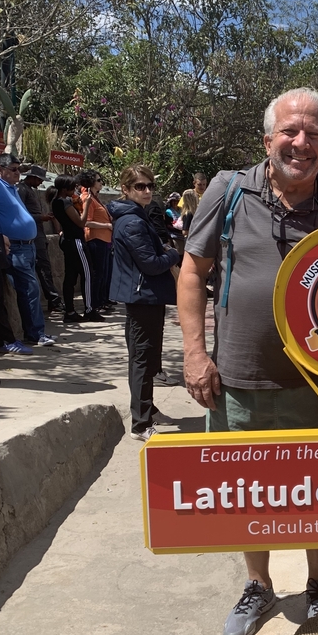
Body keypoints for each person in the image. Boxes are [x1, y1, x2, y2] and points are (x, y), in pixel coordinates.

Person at [178, 87, 318, 635]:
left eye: (313, 135)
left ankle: (317, 584)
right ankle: (258, 585)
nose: (300, 142)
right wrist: (195, 352)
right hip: (237, 379)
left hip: (316, 386)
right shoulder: (229, 190)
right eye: (290, 131)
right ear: (267, 140)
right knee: (245, 494)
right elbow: (192, 272)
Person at [108, 165, 180, 440]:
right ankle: (140, 424)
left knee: (147, 357)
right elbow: (150, 263)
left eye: (150, 185)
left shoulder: (137, 215)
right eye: (140, 186)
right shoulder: (133, 222)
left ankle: (147, 410)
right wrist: (172, 255)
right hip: (142, 297)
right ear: (126, 189)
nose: (147, 191)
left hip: (146, 295)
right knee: (141, 359)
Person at [0, 154, 54, 346]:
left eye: (19, 169)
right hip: (15, 247)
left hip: (28, 245)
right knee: (30, 288)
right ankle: (35, 334)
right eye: (13, 169)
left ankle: (35, 332)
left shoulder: (11, 187)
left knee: (30, 289)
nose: (18, 174)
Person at [51, 174, 103, 325]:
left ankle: (70, 311)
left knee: (70, 276)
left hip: (69, 240)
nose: (74, 190)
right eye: (72, 187)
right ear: (64, 188)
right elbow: (81, 222)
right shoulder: (64, 202)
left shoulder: (57, 201)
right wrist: (86, 205)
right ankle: (89, 309)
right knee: (87, 274)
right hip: (75, 241)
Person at [18, 165, 62, 312]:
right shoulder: (22, 190)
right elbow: (21, 214)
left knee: (45, 268)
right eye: (39, 180)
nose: (41, 183)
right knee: (43, 268)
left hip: (39, 234)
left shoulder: (30, 190)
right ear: (32, 177)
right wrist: (41, 217)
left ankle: (53, 300)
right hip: (32, 235)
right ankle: (53, 300)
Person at [77, 170, 113, 313]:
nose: (101, 182)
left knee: (103, 273)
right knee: (97, 273)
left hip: (104, 240)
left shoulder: (95, 198)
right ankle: (95, 304)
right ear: (91, 182)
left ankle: (101, 301)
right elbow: (87, 222)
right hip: (95, 239)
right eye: (98, 180)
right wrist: (106, 225)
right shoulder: (87, 198)